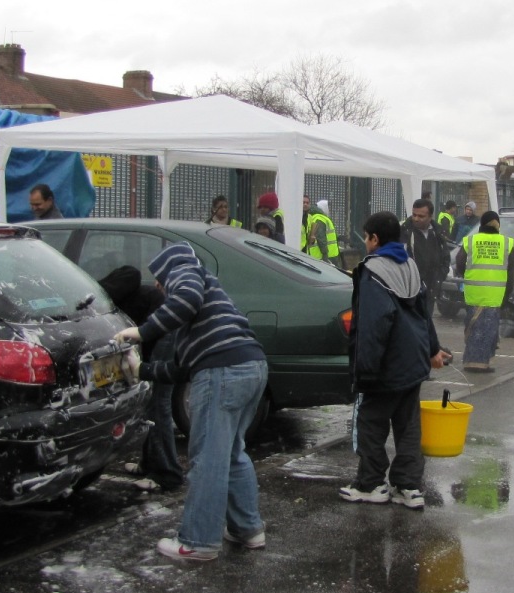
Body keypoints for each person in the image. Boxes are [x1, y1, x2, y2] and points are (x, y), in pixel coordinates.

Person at [118, 242, 269, 561]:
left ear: (169, 270)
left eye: (159, 278)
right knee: (231, 453)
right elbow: (183, 367)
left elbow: (184, 300)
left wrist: (141, 333)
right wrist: (141, 370)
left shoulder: (186, 272)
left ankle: (198, 542)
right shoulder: (210, 308)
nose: (159, 286)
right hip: (251, 365)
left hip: (223, 371)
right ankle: (247, 529)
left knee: (208, 459)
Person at [339, 211, 451, 510]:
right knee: (408, 426)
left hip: (385, 364)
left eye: (366, 237)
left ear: (375, 239)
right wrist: (433, 350)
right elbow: (423, 314)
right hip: (413, 362)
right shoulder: (410, 265)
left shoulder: (371, 270)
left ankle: (372, 483)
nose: (364, 243)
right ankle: (408, 487)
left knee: (370, 424)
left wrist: (365, 369)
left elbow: (375, 323)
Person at [99, 266, 183, 491]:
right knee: (150, 404)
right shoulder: (120, 297)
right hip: (163, 331)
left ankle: (168, 474)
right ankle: (150, 464)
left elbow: (131, 273)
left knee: (157, 405)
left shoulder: (103, 296)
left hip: (163, 333)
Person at [455, 209, 514, 372]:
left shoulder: (470, 240)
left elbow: (459, 263)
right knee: (488, 330)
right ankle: (481, 363)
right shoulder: (506, 243)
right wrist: (506, 296)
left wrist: (469, 274)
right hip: (495, 296)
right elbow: (511, 275)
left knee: (473, 327)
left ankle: (471, 361)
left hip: (473, 293)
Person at [404, 198, 451, 318]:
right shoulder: (404, 232)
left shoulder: (437, 233)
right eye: (414, 215)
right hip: (410, 291)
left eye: (421, 216)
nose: (416, 219)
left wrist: (439, 277)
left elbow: (445, 257)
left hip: (430, 290)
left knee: (426, 326)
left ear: (430, 217)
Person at [304, 196, 343, 268]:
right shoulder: (320, 218)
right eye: (328, 208)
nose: (329, 210)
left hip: (327, 255)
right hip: (325, 256)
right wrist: (325, 255)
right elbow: (321, 238)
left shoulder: (320, 218)